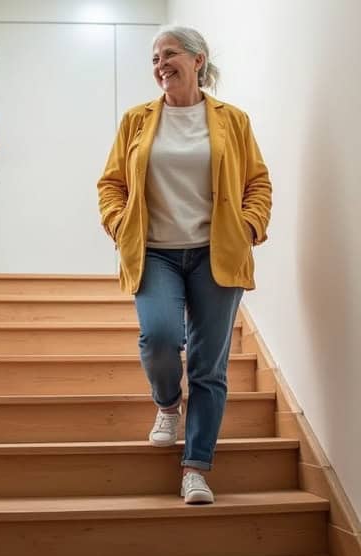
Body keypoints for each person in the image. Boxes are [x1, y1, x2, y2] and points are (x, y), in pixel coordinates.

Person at [97, 25, 272, 505]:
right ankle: (167, 404)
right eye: (154, 58)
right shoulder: (136, 120)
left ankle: (196, 468)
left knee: (208, 366)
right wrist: (118, 223)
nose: (160, 65)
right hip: (155, 251)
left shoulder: (233, 120)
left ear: (198, 60)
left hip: (217, 253)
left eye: (169, 54)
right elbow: (111, 183)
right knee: (159, 338)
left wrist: (250, 226)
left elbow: (258, 182)